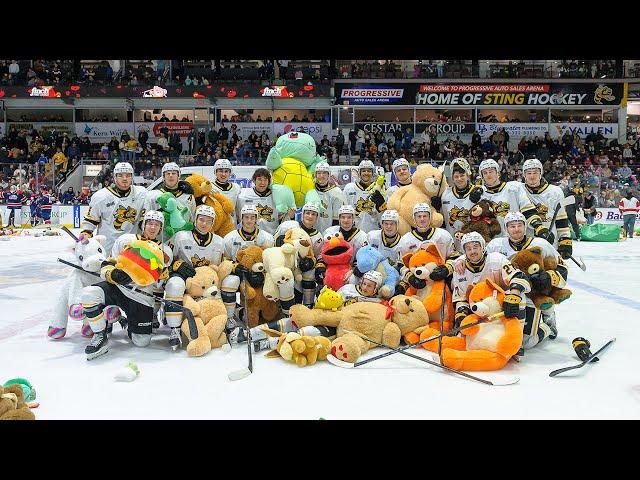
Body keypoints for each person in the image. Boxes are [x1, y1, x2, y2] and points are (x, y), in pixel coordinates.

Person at [80, 211, 171, 360]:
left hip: (140, 297)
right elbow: (108, 263)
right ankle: (100, 335)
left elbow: (160, 283)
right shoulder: (125, 240)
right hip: (118, 288)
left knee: (141, 342)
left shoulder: (165, 252)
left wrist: (163, 273)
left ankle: (127, 322)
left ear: (160, 228)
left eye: (157, 225)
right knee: (90, 293)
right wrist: (112, 274)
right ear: (143, 224)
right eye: (149, 223)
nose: (152, 227)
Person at [164, 205, 228, 348]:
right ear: (195, 220)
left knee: (230, 281)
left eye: (208, 221)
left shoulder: (219, 241)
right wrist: (176, 265)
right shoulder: (181, 236)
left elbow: (219, 267)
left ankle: (227, 319)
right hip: (187, 282)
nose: (204, 224)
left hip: (208, 286)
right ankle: (174, 328)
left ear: (213, 223)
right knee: (175, 284)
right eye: (201, 220)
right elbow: (167, 259)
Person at [451, 232, 531, 347]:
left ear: (483, 247)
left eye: (475, 247)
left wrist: (514, 295)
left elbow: (518, 277)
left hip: (502, 306)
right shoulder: (459, 269)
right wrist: (461, 317)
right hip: (479, 310)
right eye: (468, 249)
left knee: (519, 298)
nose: (473, 251)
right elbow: (461, 298)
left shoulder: (497, 259)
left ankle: (517, 342)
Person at [80, 162, 147, 253]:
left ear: (132, 177)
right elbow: (90, 221)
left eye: (128, 175)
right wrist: (85, 235)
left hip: (133, 248)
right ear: (114, 177)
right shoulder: (100, 196)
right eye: (120, 175)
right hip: (107, 249)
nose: (124, 178)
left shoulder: (142, 193)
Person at [476, 158, 547, 237]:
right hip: (495, 242)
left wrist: (538, 226)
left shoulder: (514, 187)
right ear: (482, 176)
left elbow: (527, 209)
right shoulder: (480, 194)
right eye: (485, 173)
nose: (488, 175)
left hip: (517, 237)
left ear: (497, 172)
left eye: (491, 171)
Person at [273, 203, 324, 307]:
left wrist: (311, 262)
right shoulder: (290, 226)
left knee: (310, 275)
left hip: (303, 269)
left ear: (317, 217)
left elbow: (318, 256)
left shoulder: (318, 236)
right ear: (302, 214)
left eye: (313, 214)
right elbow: (277, 242)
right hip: (287, 264)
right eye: (307, 213)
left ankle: (308, 305)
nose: (310, 216)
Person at [521, 158, 572, 259]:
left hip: (550, 242)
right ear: (524, 175)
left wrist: (565, 240)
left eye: (535, 172)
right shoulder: (519, 190)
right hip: (526, 243)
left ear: (541, 173)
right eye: (528, 173)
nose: (532, 176)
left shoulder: (555, 191)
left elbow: (561, 219)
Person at [436, 157, 484, 249]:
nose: (459, 179)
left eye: (462, 175)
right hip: (451, 244)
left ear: (468, 175)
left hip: (473, 245)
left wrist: (481, 191)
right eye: (456, 176)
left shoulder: (477, 192)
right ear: (452, 178)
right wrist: (437, 207)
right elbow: (441, 219)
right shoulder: (446, 194)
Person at [143, 162, 196, 235]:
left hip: (183, 239)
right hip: (161, 239)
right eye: (168, 173)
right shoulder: (153, 196)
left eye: (174, 173)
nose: (171, 175)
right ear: (163, 177)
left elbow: (192, 219)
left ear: (178, 176)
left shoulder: (189, 197)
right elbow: (145, 221)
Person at [236, 168, 293, 235]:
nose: (262, 183)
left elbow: (283, 218)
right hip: (250, 236)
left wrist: (290, 216)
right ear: (254, 181)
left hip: (272, 236)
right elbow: (237, 217)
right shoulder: (243, 195)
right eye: (259, 179)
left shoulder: (277, 196)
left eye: (265, 180)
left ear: (269, 181)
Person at [343, 160, 386, 233]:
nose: (366, 173)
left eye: (369, 171)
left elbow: (383, 216)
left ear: (373, 173)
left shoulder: (379, 190)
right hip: (353, 232)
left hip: (373, 232)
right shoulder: (349, 188)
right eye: (363, 171)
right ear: (359, 173)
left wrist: (381, 206)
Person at [313, 161, 346, 233]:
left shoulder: (336, 192)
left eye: (324, 173)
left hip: (329, 234)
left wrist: (332, 234)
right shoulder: (311, 190)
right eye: (319, 173)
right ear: (315, 175)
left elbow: (336, 219)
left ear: (329, 175)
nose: (321, 176)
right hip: (312, 233)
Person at [211, 158, 241, 225]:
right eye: (220, 171)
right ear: (215, 172)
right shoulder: (210, 187)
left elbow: (238, 210)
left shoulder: (236, 188)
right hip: (215, 226)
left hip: (232, 226)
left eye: (226, 171)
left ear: (230, 173)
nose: (223, 174)